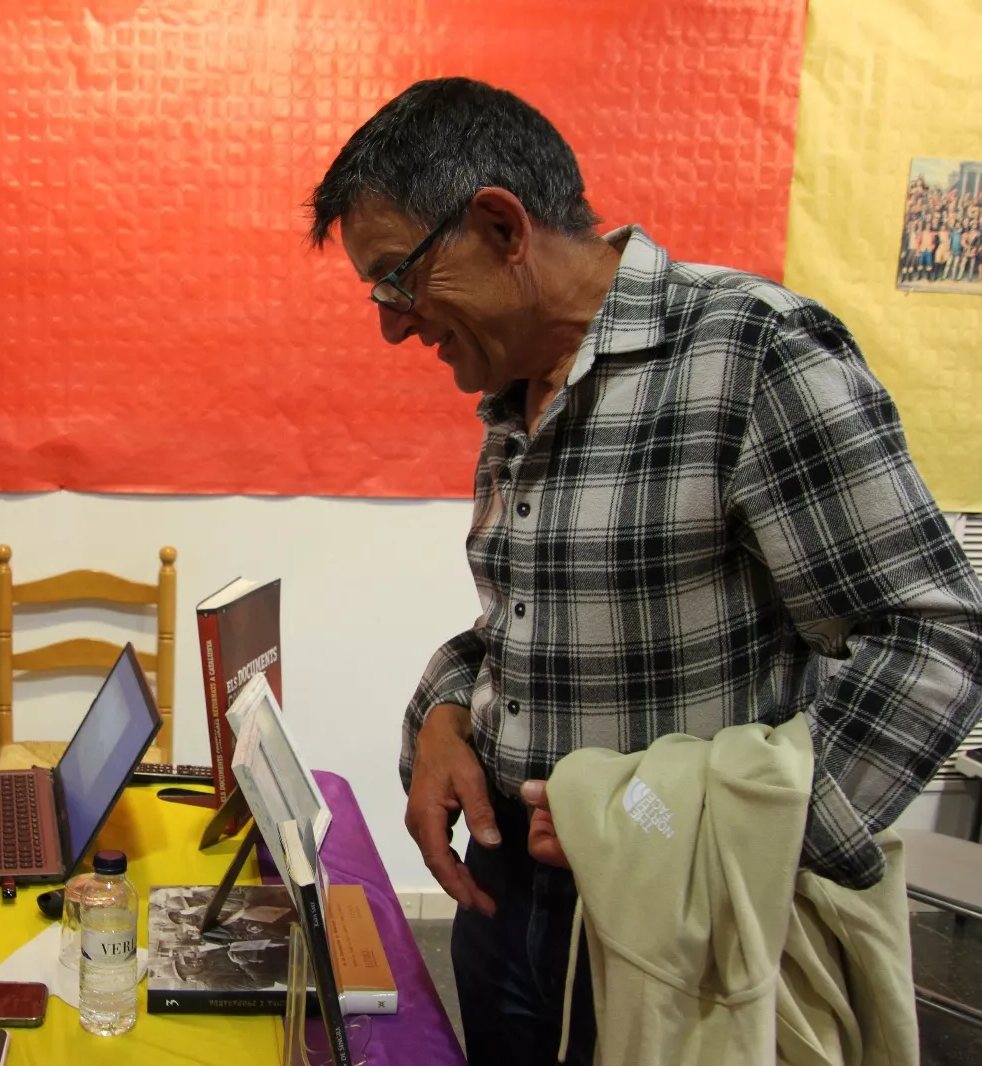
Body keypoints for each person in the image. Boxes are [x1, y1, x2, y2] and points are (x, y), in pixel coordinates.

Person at [307, 78, 982, 1065]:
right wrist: (444, 716)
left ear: (500, 227)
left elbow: (931, 637)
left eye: (395, 282)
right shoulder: (514, 391)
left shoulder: (753, 354)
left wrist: (727, 855)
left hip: (677, 926)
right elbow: (518, 622)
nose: (393, 326)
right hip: (509, 905)